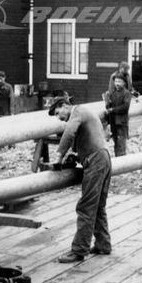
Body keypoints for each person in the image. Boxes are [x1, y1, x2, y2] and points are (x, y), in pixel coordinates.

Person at [52, 98, 114, 263]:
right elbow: (85, 138)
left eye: (58, 113)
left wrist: (58, 157)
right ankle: (103, 244)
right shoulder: (86, 112)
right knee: (98, 206)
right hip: (104, 158)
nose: (59, 118)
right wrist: (75, 155)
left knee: (86, 207)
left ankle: (79, 250)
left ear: (64, 106)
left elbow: (69, 133)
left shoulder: (77, 112)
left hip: (95, 161)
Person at [103, 73, 132, 156]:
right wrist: (107, 101)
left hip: (121, 122)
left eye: (119, 81)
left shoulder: (126, 93)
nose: (117, 83)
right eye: (115, 81)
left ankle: (122, 159)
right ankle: (117, 158)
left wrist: (113, 110)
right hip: (113, 122)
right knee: (115, 142)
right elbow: (108, 107)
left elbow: (125, 107)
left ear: (124, 83)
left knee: (121, 142)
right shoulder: (113, 93)